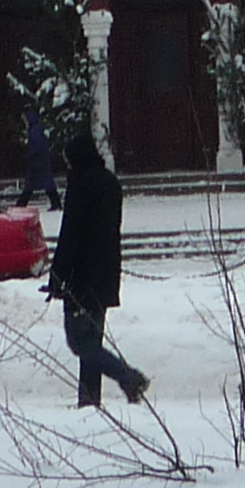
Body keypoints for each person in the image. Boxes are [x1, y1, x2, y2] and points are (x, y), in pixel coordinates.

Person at [45, 125, 149, 407]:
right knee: (92, 339)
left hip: (82, 278)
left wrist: (57, 278)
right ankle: (89, 401)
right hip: (107, 274)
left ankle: (128, 377)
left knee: (80, 342)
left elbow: (70, 235)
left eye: (68, 160)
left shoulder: (80, 185)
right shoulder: (110, 183)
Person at [20, 99, 57, 208]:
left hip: (37, 161)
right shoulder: (38, 129)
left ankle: (21, 205)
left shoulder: (34, 131)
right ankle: (56, 203)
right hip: (41, 161)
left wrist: (30, 156)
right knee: (47, 183)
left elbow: (36, 146)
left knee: (30, 185)